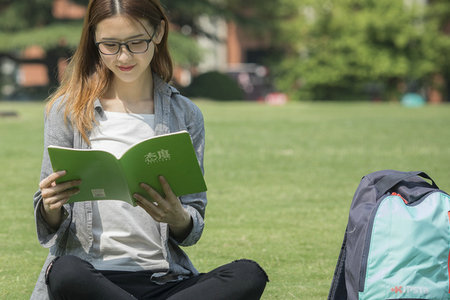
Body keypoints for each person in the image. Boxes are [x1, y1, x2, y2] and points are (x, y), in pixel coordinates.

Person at [31, 0, 268, 299]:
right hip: (92, 278)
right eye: (110, 45)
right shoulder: (66, 111)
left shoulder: (185, 115)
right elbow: (48, 217)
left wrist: (178, 217)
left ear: (158, 32)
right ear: (93, 40)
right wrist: (51, 206)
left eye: (136, 42)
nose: (124, 56)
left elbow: (192, 224)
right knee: (65, 272)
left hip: (163, 280)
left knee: (248, 274)